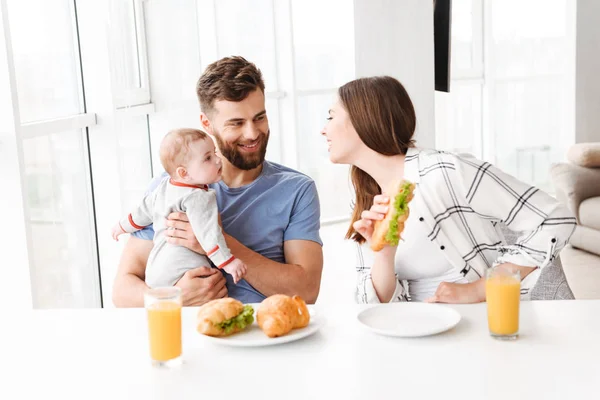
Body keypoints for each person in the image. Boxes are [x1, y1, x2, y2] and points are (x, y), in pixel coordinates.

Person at [321, 76, 576, 304]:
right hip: (421, 333)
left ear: (363, 119)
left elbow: (556, 218)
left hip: (486, 326)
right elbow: (372, 303)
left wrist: (480, 288)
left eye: (331, 116)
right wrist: (385, 253)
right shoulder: (365, 196)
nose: (324, 129)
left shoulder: (445, 172)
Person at [112, 56, 323, 307]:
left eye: (259, 118)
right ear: (206, 124)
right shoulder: (171, 186)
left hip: (262, 334)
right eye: (236, 123)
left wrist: (214, 239)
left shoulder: (296, 190)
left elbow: (307, 290)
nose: (252, 133)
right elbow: (122, 291)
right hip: (190, 335)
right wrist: (172, 299)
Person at [111, 128, 247, 286]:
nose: (218, 160)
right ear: (184, 173)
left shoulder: (163, 187)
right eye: (208, 158)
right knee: (215, 290)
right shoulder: (199, 197)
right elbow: (209, 234)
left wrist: (121, 226)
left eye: (214, 152)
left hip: (156, 271)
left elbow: (141, 212)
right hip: (184, 269)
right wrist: (229, 263)